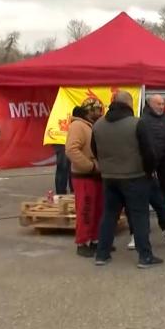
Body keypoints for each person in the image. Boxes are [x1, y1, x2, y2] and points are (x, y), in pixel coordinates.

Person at [91, 91, 162, 268]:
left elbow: (94, 149)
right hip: (134, 176)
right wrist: (148, 172)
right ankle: (145, 256)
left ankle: (102, 254)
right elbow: (149, 152)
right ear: (130, 104)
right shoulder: (137, 123)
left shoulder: (98, 125)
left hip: (109, 177)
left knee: (109, 215)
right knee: (139, 216)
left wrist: (106, 165)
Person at [139, 94, 165, 246]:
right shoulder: (142, 121)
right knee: (142, 199)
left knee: (163, 198)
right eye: (158, 104)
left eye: (163, 104)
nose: (161, 106)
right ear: (150, 104)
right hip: (147, 166)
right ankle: (138, 232)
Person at [65, 100, 104, 258]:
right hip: (84, 176)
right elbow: (71, 149)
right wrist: (90, 166)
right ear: (89, 111)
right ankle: (82, 242)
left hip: (95, 175)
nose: (100, 112)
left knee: (97, 209)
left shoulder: (90, 126)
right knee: (86, 210)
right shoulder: (78, 126)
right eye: (98, 110)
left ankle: (95, 239)